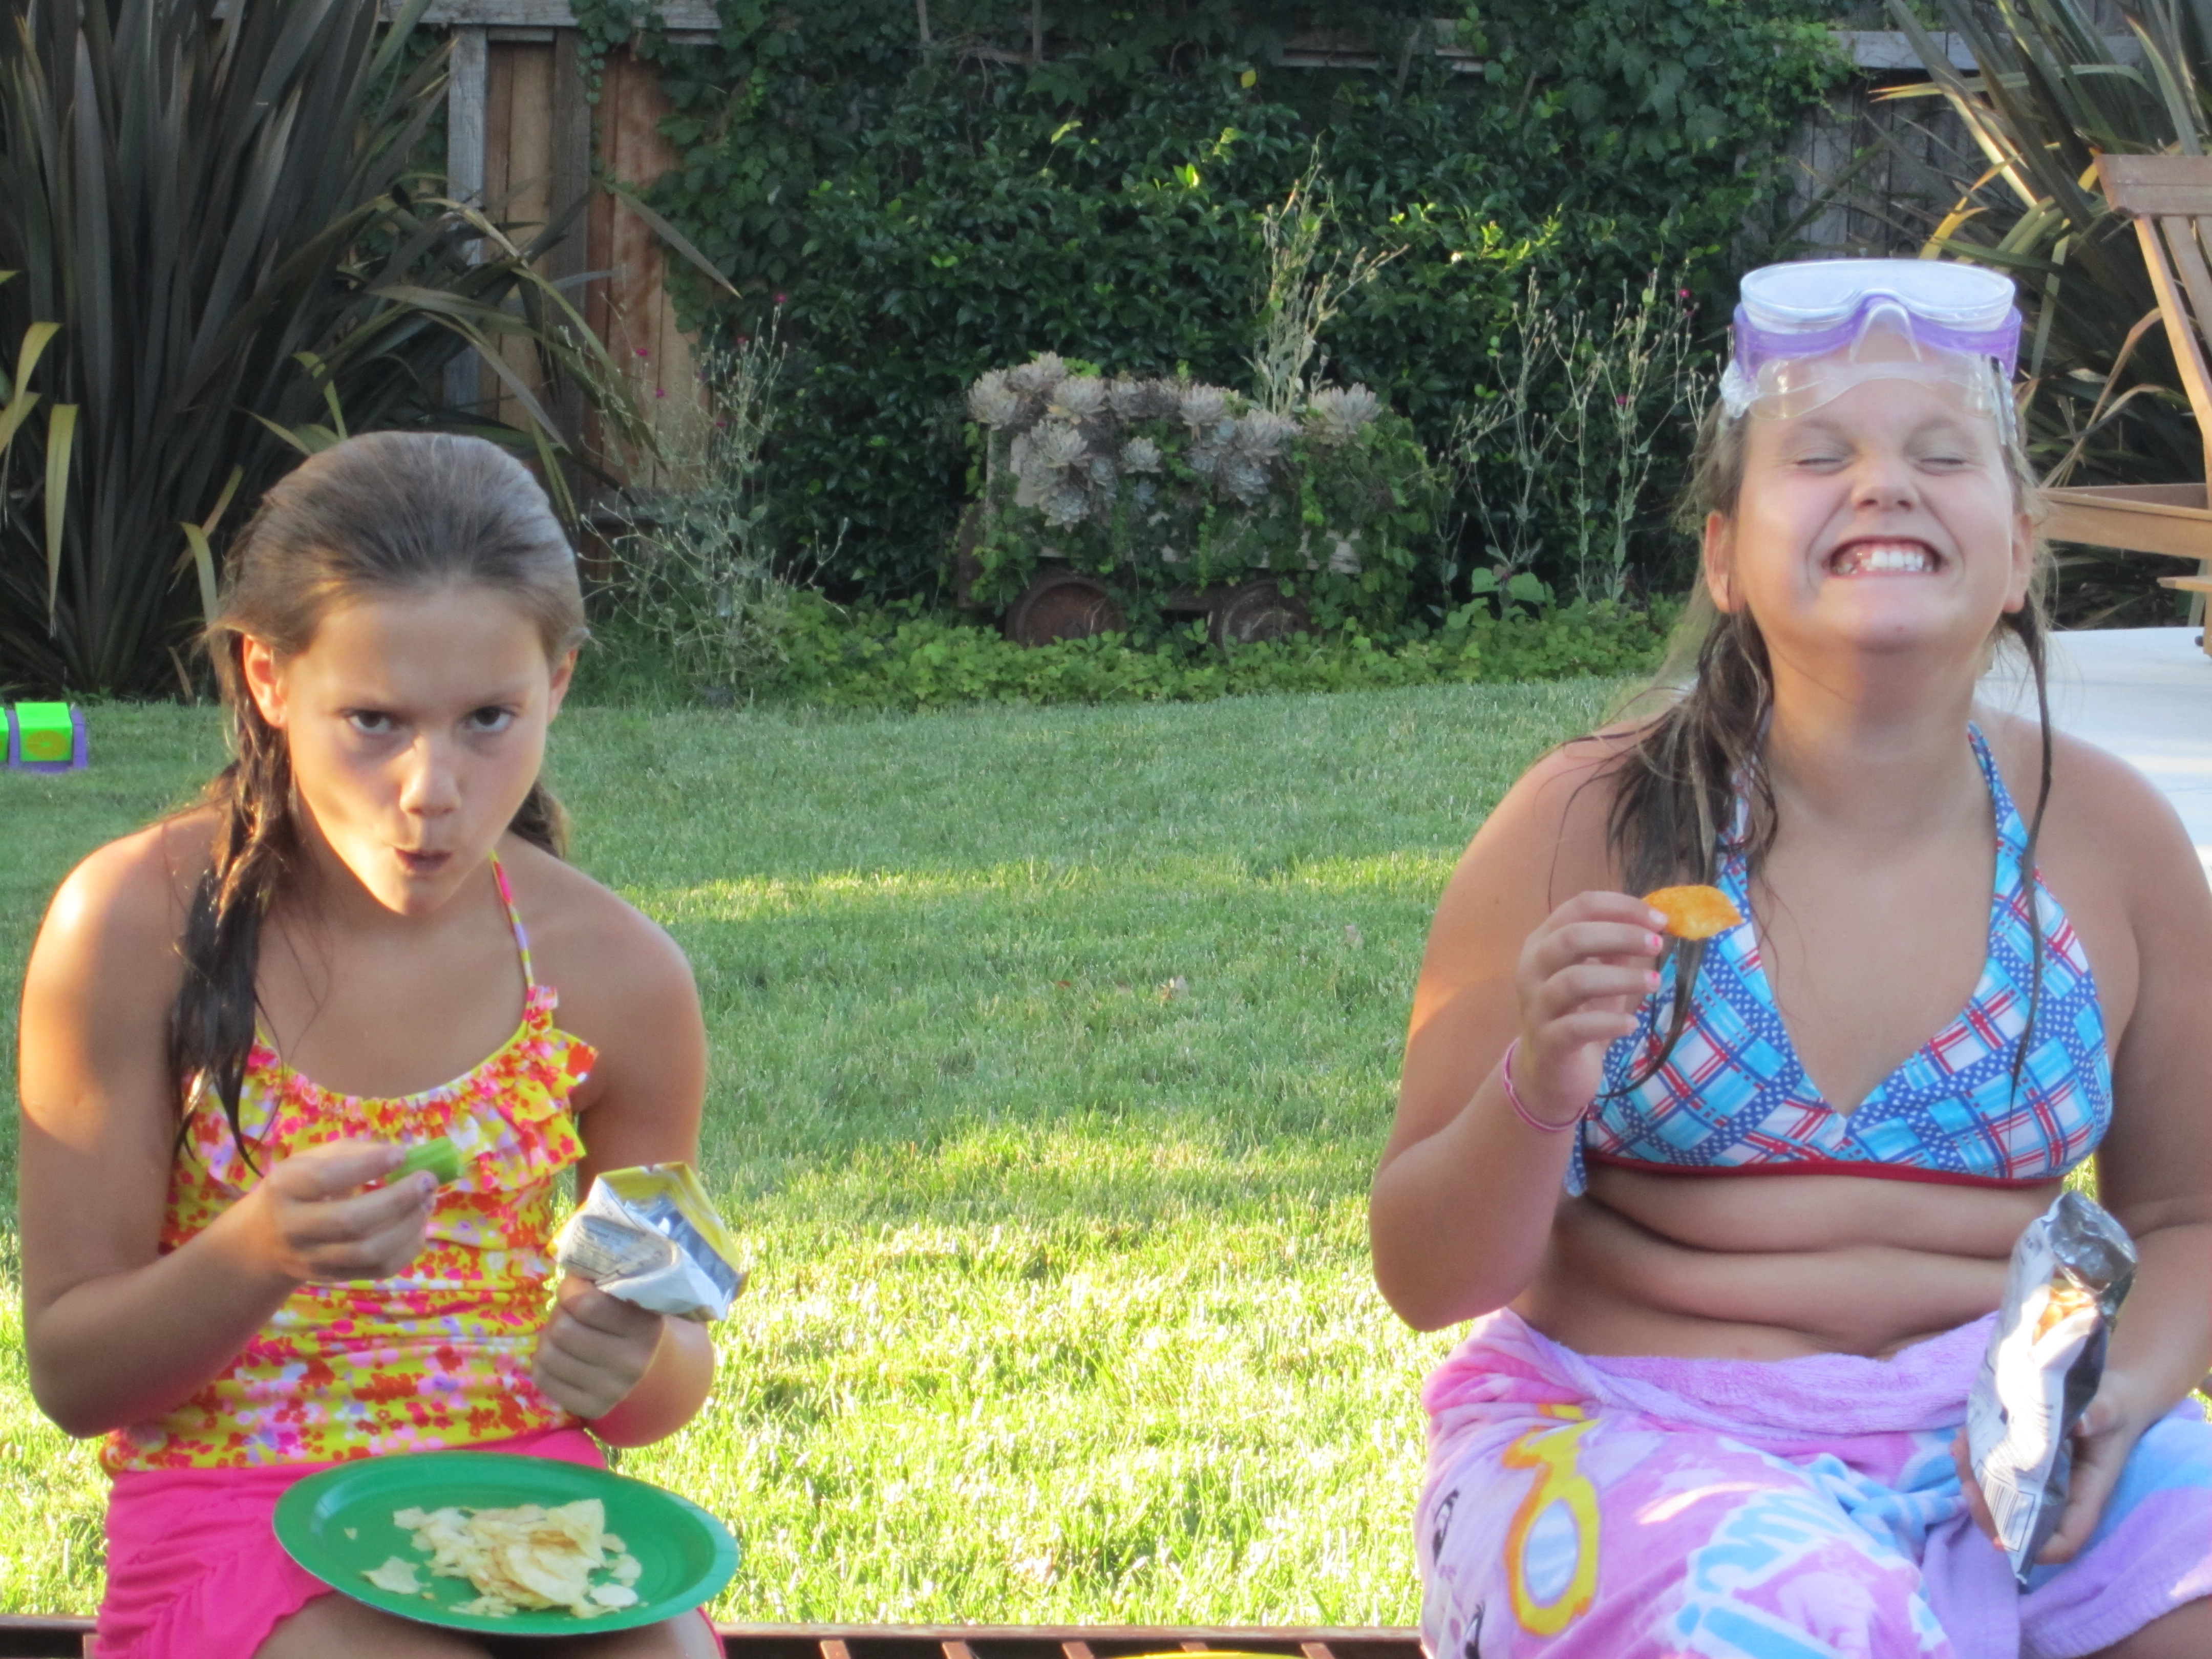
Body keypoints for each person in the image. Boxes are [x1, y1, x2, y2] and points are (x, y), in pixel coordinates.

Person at [1371, 260, 2212, 1658]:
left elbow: (2187, 1218)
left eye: (1942, 455)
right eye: (1820, 457)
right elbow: (1423, 1274)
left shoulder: (2112, 841)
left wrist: (2119, 1396)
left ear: (2018, 552)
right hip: (1633, 1439)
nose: (1883, 485)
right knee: (1802, 1623)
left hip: (1999, 1450)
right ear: (1724, 556)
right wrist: (1537, 1084)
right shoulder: (1591, 822)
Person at [16, 433, 722, 1658]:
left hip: (525, 1504)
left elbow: (666, 1374)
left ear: (558, 681)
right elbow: (74, 1378)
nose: (431, 787)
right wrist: (260, 1251)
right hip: (235, 1511)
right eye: (375, 721)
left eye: (488, 718)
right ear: (269, 677)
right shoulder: (133, 926)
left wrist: (633, 1354)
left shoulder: (623, 979)